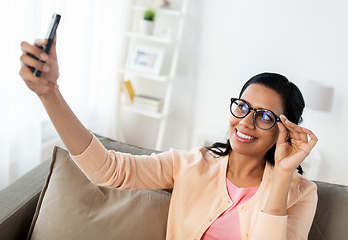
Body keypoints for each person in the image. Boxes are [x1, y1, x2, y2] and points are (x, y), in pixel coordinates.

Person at [20, 37, 318, 240]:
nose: (245, 121)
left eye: (265, 116)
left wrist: (281, 174)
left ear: (285, 129)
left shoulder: (301, 194)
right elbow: (107, 170)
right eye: (242, 106)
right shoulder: (191, 164)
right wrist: (49, 93)